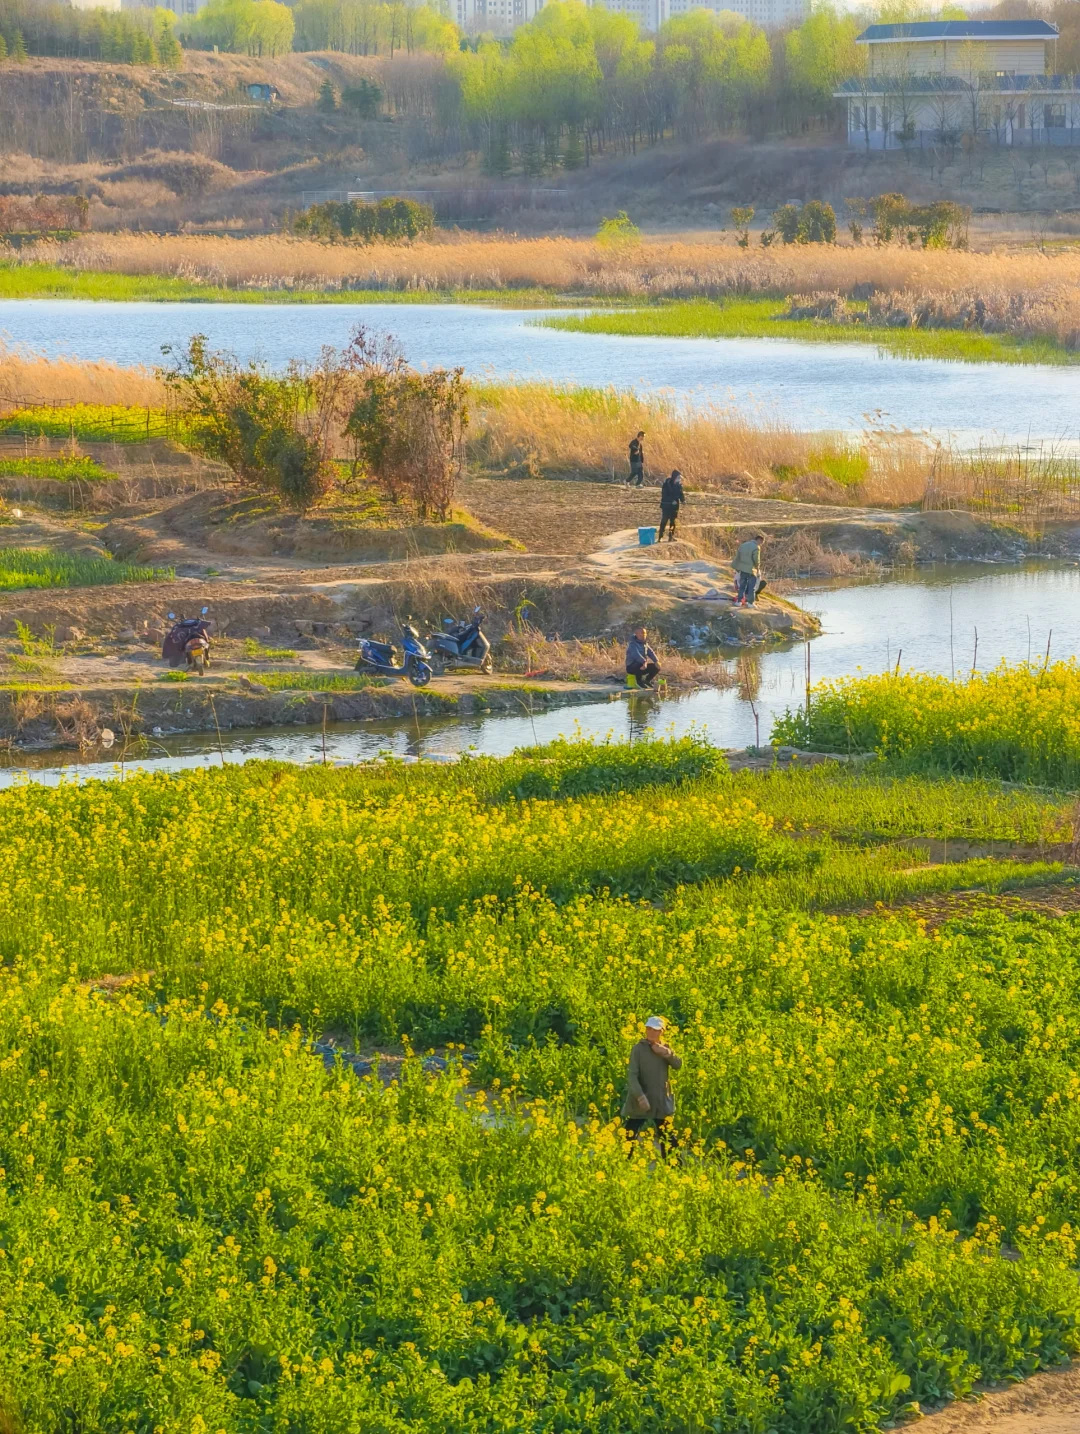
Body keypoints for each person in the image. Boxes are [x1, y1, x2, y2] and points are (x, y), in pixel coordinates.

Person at [622, 1016, 682, 1157]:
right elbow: (632, 1075)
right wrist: (640, 1096)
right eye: (648, 1029)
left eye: (654, 1030)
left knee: (667, 1134)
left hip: (660, 1098)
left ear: (662, 1031)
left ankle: (674, 1166)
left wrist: (667, 1054)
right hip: (642, 1097)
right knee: (630, 1132)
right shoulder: (638, 1049)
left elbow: (678, 1065)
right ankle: (623, 1162)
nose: (650, 1032)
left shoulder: (665, 1048)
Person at [733, 531, 765, 606]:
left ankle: (739, 601)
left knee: (742, 586)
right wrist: (758, 568)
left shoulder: (743, 545)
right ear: (759, 540)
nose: (761, 544)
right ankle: (750, 603)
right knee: (752, 587)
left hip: (743, 569)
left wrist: (737, 567)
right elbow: (756, 560)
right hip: (751, 570)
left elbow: (738, 556)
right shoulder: (756, 547)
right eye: (761, 543)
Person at [658, 469, 685, 543]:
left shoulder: (679, 486)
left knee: (673, 522)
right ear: (674, 477)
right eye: (678, 477)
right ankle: (660, 536)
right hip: (666, 506)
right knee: (664, 521)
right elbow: (664, 495)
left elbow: (680, 494)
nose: (679, 479)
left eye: (680, 478)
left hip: (675, 507)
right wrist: (671, 501)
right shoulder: (667, 484)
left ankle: (671, 536)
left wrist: (683, 500)